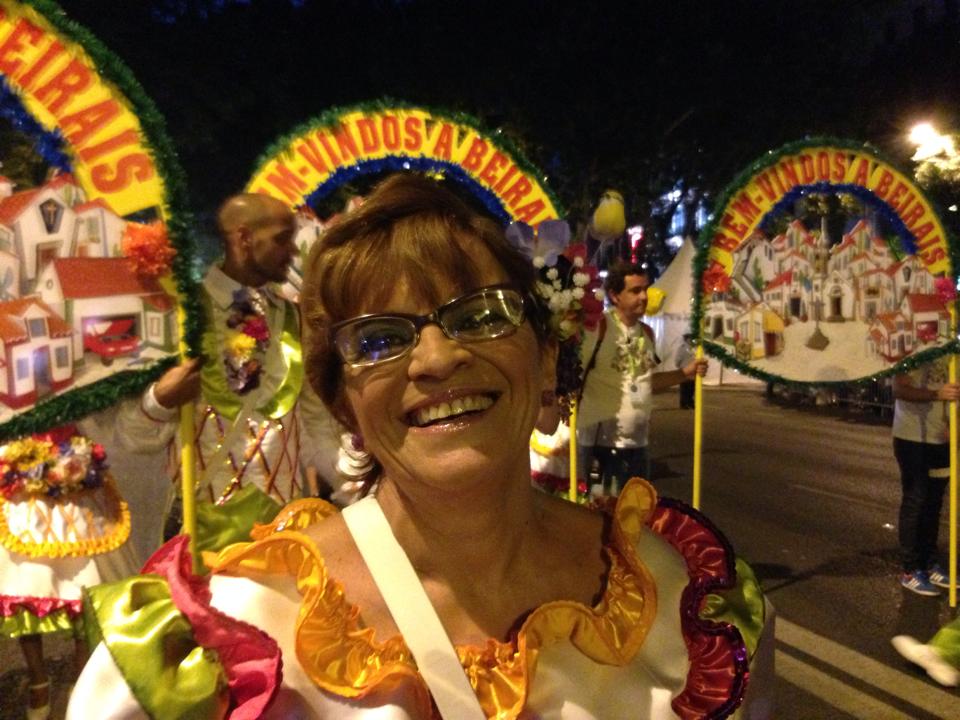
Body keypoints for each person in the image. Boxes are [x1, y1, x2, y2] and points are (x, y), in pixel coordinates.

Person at [68, 174, 769, 718]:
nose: (436, 359)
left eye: (482, 314)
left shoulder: (680, 598)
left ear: (546, 355)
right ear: (344, 399)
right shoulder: (228, 639)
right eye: (379, 338)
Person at [112, 192, 342, 553]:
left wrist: (357, 487)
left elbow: (316, 426)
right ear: (244, 238)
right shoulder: (180, 318)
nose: (292, 252)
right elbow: (131, 438)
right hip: (204, 542)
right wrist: (160, 400)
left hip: (285, 537)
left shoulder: (293, 318)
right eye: (281, 239)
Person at [0, 426, 137, 720]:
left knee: (86, 585)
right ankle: (38, 680)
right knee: (23, 584)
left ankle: (82, 678)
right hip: (20, 473)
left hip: (75, 469)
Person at [577, 261, 706, 494]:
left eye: (645, 289)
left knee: (637, 512)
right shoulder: (598, 327)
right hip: (601, 445)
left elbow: (647, 382)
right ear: (615, 296)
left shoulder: (647, 333)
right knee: (602, 511)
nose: (644, 296)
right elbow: (575, 375)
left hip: (639, 446)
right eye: (635, 291)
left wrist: (684, 374)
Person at [892, 358, 960, 596]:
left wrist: (954, 426)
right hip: (912, 438)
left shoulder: (953, 354)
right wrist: (937, 394)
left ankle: (929, 563)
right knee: (916, 500)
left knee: (934, 502)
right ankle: (910, 570)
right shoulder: (911, 350)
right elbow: (899, 389)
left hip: (942, 439)